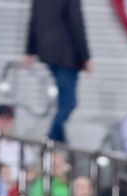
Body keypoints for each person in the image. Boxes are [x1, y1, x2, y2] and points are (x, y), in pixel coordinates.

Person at [23, 0, 90, 144]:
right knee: (69, 103)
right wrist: (85, 57)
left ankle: (59, 141)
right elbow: (76, 24)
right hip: (67, 56)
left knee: (62, 103)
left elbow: (33, 21)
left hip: (48, 53)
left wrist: (30, 50)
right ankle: (52, 139)